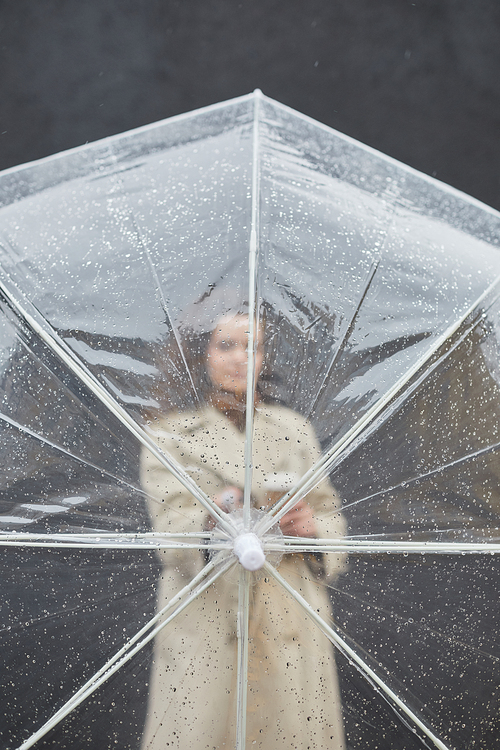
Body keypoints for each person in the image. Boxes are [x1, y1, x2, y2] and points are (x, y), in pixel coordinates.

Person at [140, 310, 346, 749]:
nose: (239, 358)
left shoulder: (294, 430)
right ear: (201, 355)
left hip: (288, 618)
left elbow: (331, 517)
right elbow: (169, 531)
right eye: (225, 345)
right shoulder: (168, 434)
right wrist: (214, 517)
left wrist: (310, 528)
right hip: (207, 621)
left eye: (252, 346)